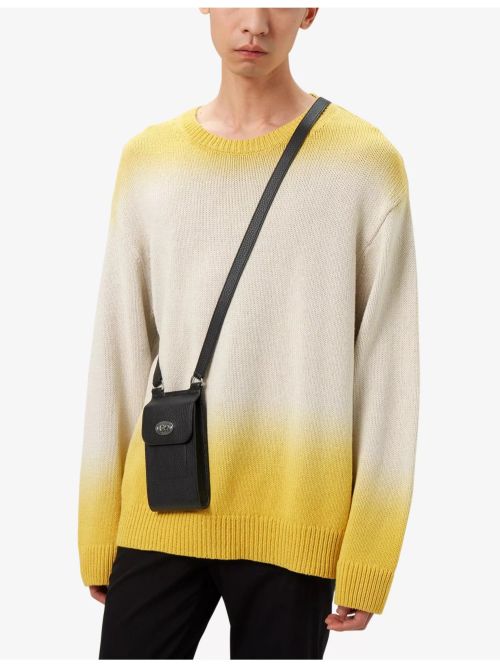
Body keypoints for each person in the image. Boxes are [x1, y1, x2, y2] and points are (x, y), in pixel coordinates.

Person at [78, 6, 420, 660]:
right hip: (159, 508)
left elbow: (389, 371)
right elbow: (118, 346)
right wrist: (99, 529)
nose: (255, 22)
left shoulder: (363, 163)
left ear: (311, 10)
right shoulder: (150, 161)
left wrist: (370, 551)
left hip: (298, 517)